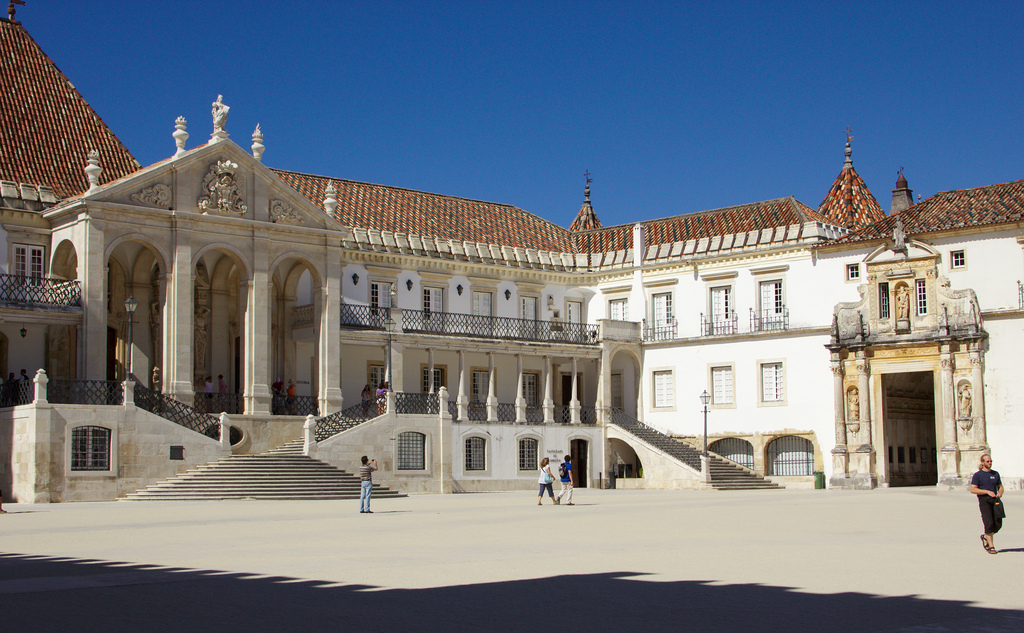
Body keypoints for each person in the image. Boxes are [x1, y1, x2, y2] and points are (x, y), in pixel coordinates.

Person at [970, 454, 1004, 554]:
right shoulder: (978, 475)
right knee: (988, 522)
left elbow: (1000, 486)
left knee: (998, 523)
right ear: (983, 462)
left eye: (990, 461)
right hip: (985, 501)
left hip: (995, 500)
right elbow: (973, 489)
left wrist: (1000, 492)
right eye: (987, 461)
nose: (990, 463)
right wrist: (986, 492)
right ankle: (991, 546)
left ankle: (985, 536)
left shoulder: (995, 474)